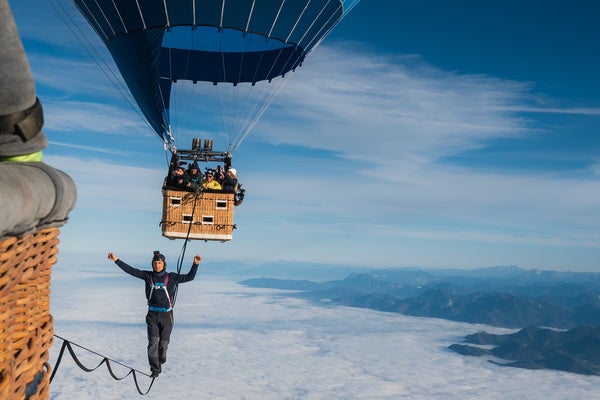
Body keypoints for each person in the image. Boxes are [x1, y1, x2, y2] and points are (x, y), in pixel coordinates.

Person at [107, 250, 202, 378]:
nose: (157, 265)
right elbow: (131, 270)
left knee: (163, 344)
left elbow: (189, 277)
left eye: (159, 263)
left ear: (164, 264)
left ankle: (160, 361)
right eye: (155, 263)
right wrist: (116, 260)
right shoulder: (148, 276)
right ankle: (155, 369)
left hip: (167, 316)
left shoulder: (172, 277)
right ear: (152, 264)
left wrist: (195, 264)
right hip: (152, 315)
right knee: (153, 343)